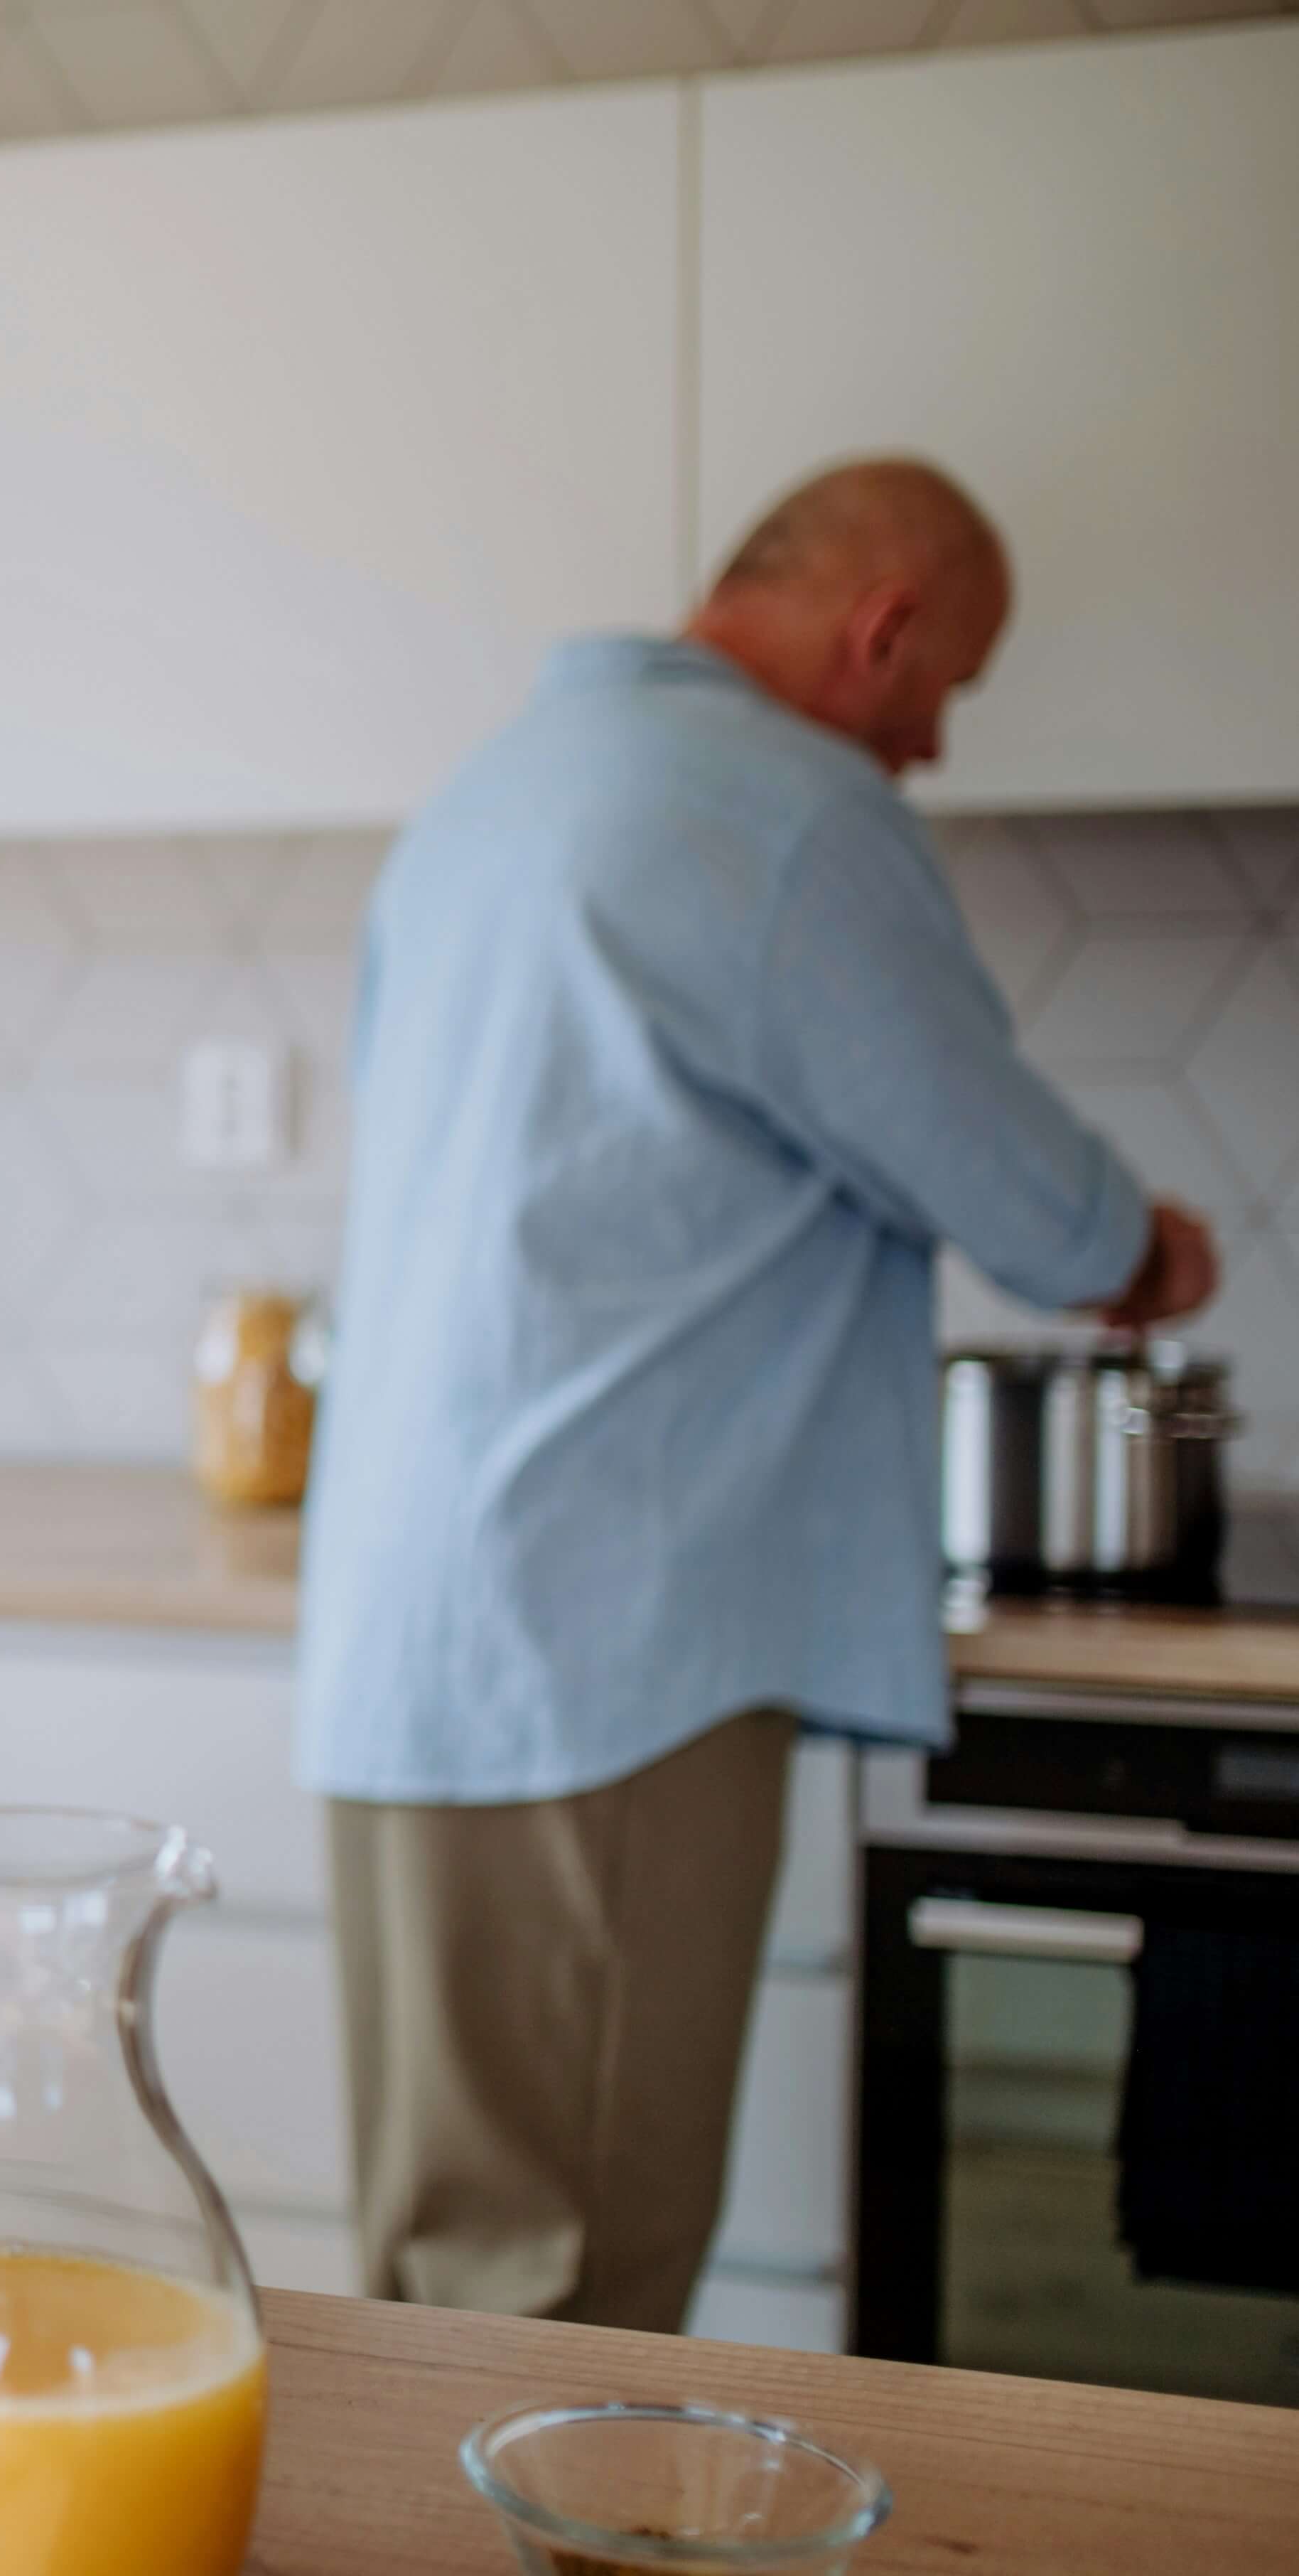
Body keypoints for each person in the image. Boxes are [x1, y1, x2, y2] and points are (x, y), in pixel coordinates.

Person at [298, 457, 1219, 2333]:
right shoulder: (782, 814)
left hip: (410, 1629)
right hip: (604, 1644)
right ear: (879, 632)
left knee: (437, 2276)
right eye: (940, 690)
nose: (932, 748)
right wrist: (1148, 1252)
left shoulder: (483, 801)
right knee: (566, 2290)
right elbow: (1008, 1187)